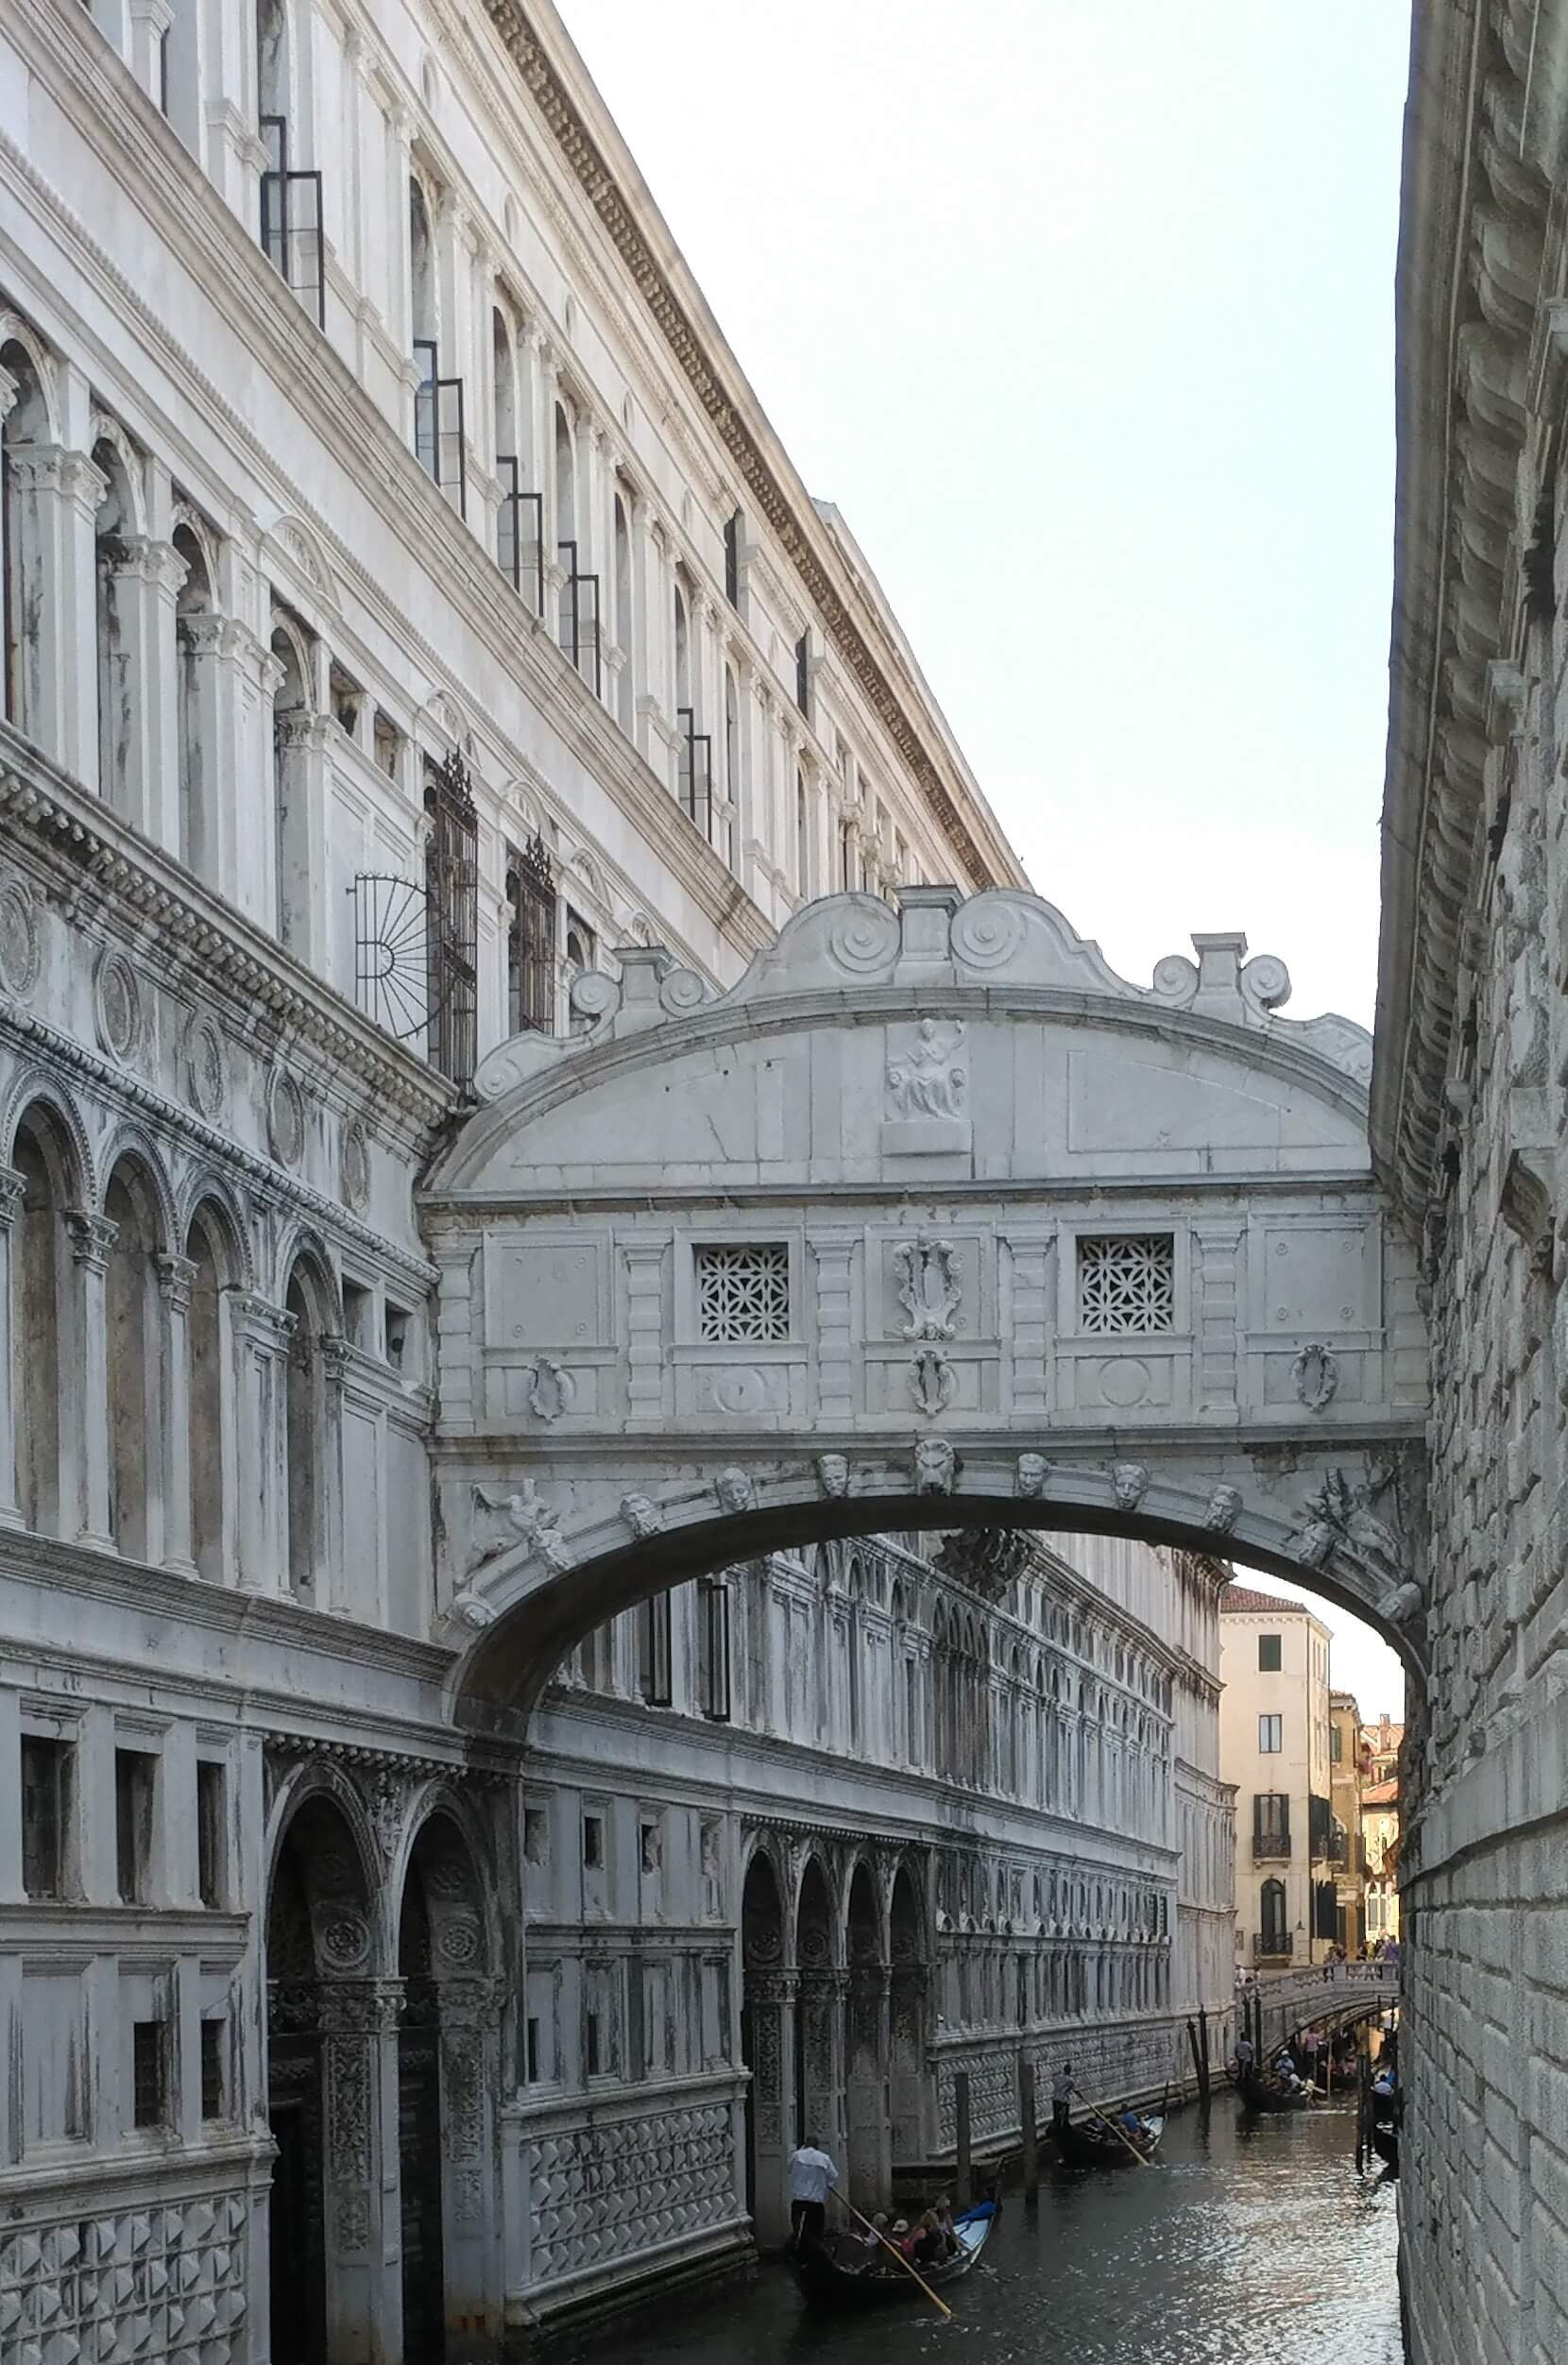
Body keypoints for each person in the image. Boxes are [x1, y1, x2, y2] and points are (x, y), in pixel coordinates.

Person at [787, 2135, 839, 2252]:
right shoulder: (824, 2158)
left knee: (798, 2230)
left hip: (799, 2201)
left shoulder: (796, 2156)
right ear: (817, 2146)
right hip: (816, 2203)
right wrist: (826, 2182)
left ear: (805, 2144)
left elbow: (789, 2168)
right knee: (816, 2232)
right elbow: (834, 2176)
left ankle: (800, 2251)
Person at [1051, 2060, 1074, 2135]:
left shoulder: (1057, 2078)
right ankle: (1064, 2131)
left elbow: (1054, 2080)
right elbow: (1070, 2088)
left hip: (1055, 2099)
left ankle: (1056, 2130)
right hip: (1064, 2100)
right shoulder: (1070, 2080)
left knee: (1056, 2117)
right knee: (1064, 2117)